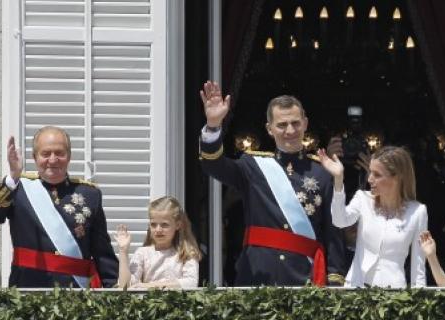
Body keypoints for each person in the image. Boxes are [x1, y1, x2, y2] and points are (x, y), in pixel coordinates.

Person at [198, 81, 346, 286]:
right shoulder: (252, 165)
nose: (290, 130)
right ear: (269, 129)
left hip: (306, 278)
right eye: (282, 125)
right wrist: (213, 125)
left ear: (305, 123)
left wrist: (335, 279)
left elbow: (333, 232)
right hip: (259, 274)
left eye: (295, 123)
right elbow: (213, 165)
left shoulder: (322, 172)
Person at [0, 126, 118, 288]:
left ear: (69, 157)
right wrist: (12, 178)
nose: (53, 160)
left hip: (76, 293)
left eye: (59, 153)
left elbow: (102, 251)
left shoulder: (90, 194)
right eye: (45, 154)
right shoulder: (18, 189)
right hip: (28, 289)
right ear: (34, 157)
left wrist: (112, 290)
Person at [319, 145, 428, 288]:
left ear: (397, 178)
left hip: (393, 294)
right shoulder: (362, 198)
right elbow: (339, 221)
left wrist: (419, 302)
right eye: (370, 172)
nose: (370, 179)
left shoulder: (418, 211)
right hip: (356, 288)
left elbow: (418, 267)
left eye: (377, 175)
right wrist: (338, 179)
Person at [114, 196, 200, 289]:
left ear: (178, 225)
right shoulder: (143, 253)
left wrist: (149, 286)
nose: (158, 230)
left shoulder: (187, 253)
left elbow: (190, 283)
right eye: (153, 224)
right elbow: (125, 286)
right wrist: (123, 251)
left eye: (164, 225)